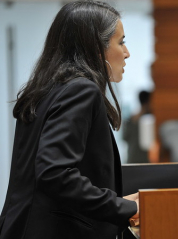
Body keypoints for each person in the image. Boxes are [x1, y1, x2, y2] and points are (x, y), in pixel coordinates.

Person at [0, 2, 139, 239]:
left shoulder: (49, 88)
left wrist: (118, 202)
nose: (127, 53)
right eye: (121, 42)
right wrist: (126, 208)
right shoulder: (81, 90)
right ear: (97, 47)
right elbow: (55, 173)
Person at [123, 90, 157, 163]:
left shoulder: (131, 119)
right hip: (147, 160)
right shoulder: (152, 119)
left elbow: (124, 137)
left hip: (132, 158)